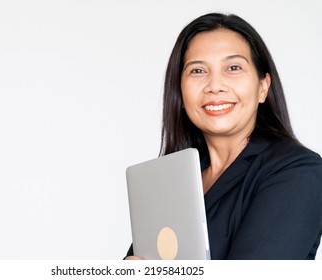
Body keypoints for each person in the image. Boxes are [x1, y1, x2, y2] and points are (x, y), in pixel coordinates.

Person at [125, 12, 322, 260]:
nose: (214, 85)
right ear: (180, 93)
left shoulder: (297, 171)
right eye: (197, 70)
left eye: (233, 67)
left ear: (263, 87)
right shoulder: (172, 182)